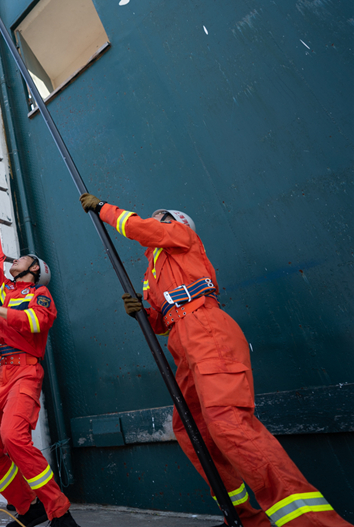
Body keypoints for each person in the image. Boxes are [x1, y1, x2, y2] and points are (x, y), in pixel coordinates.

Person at [80, 193, 351, 527]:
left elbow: (143, 229)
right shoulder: (154, 270)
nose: (157, 221)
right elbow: (165, 322)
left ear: (176, 222)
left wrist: (105, 209)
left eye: (162, 217)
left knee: (228, 422)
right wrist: (145, 314)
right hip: (184, 341)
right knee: (192, 430)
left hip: (208, 330)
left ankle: (316, 524)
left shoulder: (182, 235)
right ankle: (243, 518)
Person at [0, 210, 80, 527]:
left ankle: (58, 510)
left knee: (13, 438)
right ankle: (27, 506)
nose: (13, 261)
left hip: (24, 371)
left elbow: (38, 322)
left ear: (34, 269)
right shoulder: (2, 288)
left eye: (21, 259)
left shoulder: (40, 294)